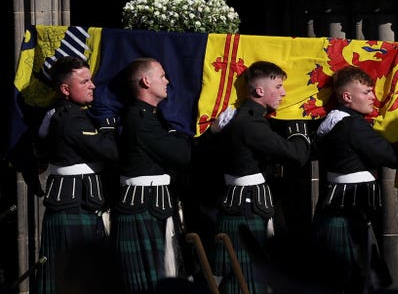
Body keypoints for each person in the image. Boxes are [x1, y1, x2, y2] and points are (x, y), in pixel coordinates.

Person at [209, 60, 311, 294]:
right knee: (246, 278)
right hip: (247, 207)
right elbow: (296, 155)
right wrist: (299, 127)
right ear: (259, 90)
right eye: (278, 87)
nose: (284, 93)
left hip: (245, 203)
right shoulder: (250, 123)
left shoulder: (246, 118)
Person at [311, 66, 398, 294]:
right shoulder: (353, 125)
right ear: (347, 96)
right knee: (354, 283)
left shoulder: (332, 123)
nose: (374, 97)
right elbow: (392, 158)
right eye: (367, 92)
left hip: (336, 209)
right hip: (349, 215)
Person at [34, 56, 119, 294]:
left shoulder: (66, 114)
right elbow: (110, 152)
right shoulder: (71, 119)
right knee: (80, 278)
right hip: (74, 206)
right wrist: (108, 127)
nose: (92, 86)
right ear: (65, 89)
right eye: (85, 82)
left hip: (76, 203)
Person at [111, 57, 192, 294]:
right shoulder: (140, 119)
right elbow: (181, 154)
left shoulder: (153, 116)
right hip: (144, 207)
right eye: (162, 76)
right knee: (148, 282)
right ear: (146, 81)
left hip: (155, 205)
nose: (167, 81)